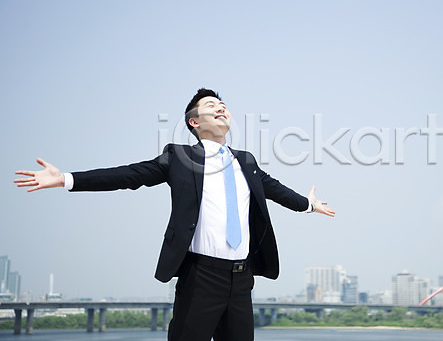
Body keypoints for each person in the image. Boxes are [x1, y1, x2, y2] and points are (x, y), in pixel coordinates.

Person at [14, 88, 335, 341]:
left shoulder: (246, 161)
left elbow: (275, 189)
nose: (221, 108)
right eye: (211, 105)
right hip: (201, 277)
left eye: (223, 105)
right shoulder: (179, 157)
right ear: (194, 122)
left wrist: (308, 205)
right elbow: (129, 175)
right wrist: (66, 178)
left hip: (241, 279)